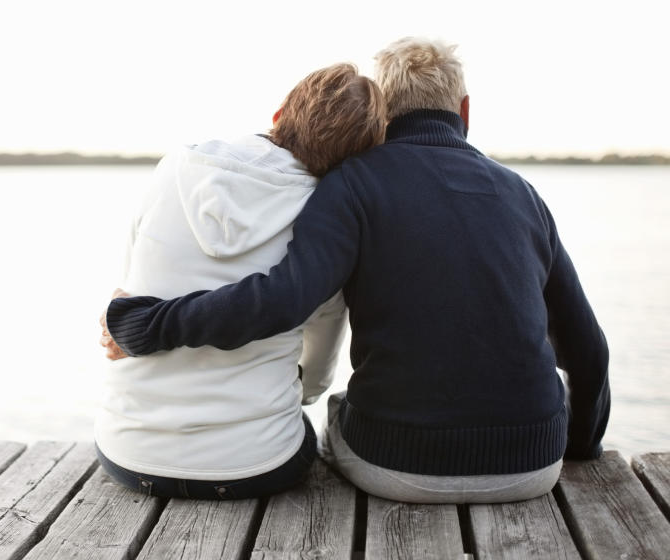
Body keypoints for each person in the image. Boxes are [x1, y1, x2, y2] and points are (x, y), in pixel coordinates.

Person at [103, 37, 611, 503]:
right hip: (535, 465)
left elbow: (284, 299)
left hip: (396, 465)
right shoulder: (523, 195)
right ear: (465, 110)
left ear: (382, 117)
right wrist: (582, 445)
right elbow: (587, 349)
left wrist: (146, 323)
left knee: (340, 409)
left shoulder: (350, 186)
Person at [94, 63, 386, 499]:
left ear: (280, 112)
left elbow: (128, 291)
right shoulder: (326, 225)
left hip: (129, 452)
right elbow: (317, 377)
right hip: (256, 464)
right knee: (306, 425)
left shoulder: (176, 167)